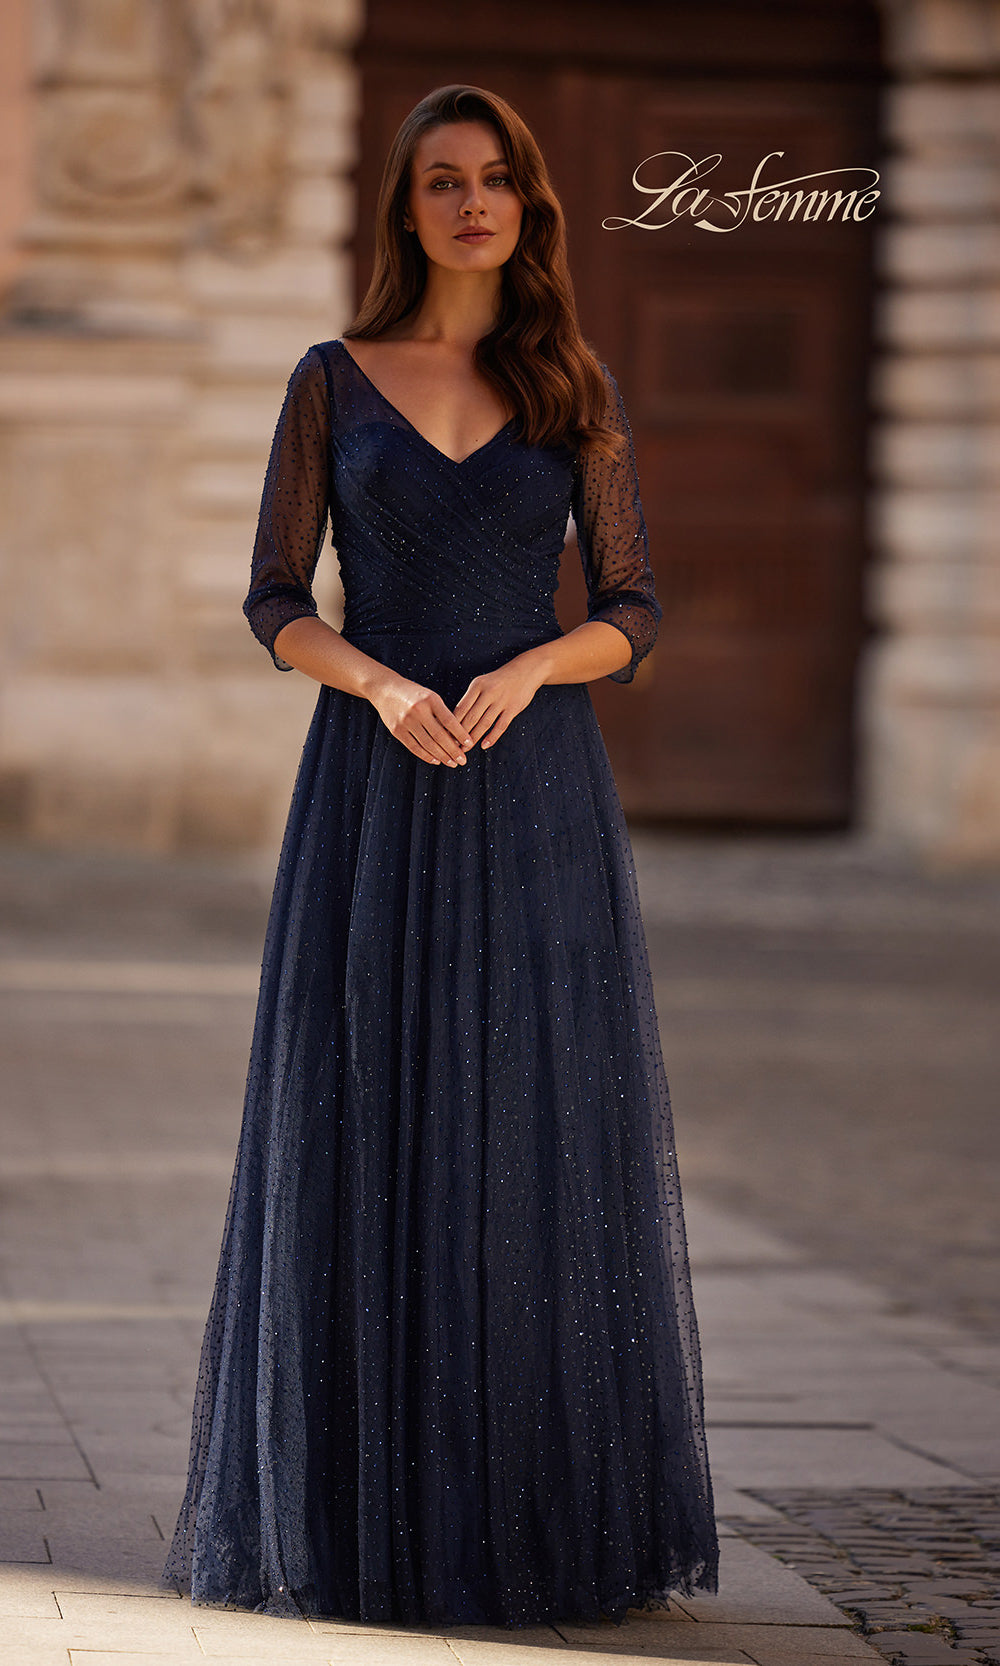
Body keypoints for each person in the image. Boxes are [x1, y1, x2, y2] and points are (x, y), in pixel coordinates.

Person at [162, 81, 719, 1631]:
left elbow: (638, 601)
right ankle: (357, 1518)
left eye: (494, 181)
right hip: (374, 789)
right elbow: (276, 597)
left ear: (529, 207)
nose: (470, 203)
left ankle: (529, 1516)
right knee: (368, 1114)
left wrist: (538, 668)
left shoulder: (573, 383)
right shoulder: (329, 382)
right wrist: (383, 682)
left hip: (538, 794)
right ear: (405, 209)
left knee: (523, 1133)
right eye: (440, 182)